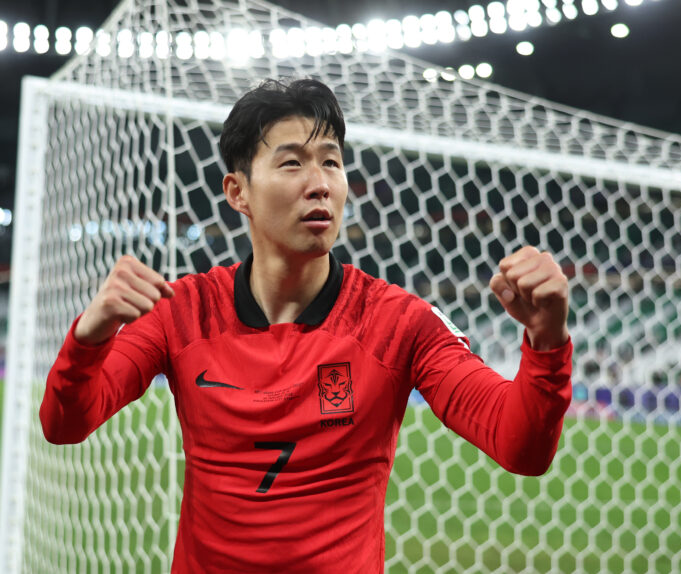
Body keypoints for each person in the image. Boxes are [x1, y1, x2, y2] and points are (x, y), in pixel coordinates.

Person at [40, 78, 572, 573]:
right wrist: (91, 333)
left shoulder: (397, 322)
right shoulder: (183, 310)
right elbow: (65, 425)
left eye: (332, 163)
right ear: (237, 192)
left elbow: (519, 448)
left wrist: (546, 344)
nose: (319, 184)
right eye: (292, 163)